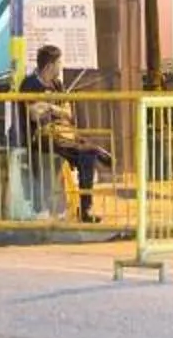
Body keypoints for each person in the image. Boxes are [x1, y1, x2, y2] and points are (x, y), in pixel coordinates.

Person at [17, 43, 108, 222]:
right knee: (80, 149)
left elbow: (68, 113)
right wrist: (52, 105)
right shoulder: (29, 84)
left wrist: (48, 106)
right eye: (59, 63)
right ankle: (97, 151)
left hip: (61, 133)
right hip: (40, 136)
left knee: (86, 156)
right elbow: (34, 114)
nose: (61, 66)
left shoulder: (57, 84)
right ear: (50, 66)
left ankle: (86, 209)